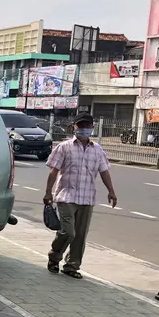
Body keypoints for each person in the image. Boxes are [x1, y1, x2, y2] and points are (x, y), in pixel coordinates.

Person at [43, 113, 117, 279]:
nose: (84, 129)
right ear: (74, 127)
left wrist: (111, 191)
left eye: (87, 126)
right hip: (66, 196)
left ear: (92, 128)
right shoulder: (64, 147)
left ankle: (72, 266)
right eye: (80, 126)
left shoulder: (97, 150)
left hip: (87, 198)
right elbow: (53, 171)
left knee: (80, 235)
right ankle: (54, 257)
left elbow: (104, 171)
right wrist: (48, 192)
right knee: (68, 232)